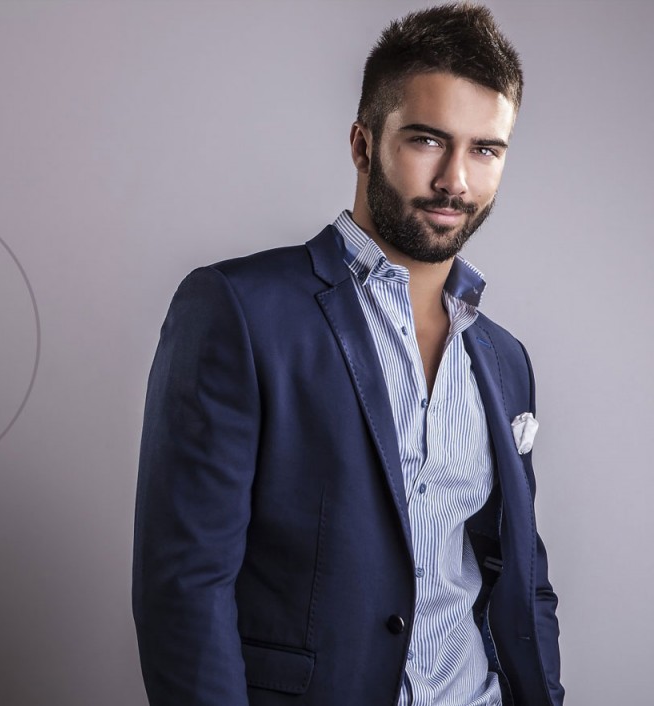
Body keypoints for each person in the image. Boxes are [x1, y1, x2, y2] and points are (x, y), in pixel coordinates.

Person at [131, 3, 564, 705]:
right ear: (364, 145)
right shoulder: (239, 311)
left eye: (486, 150)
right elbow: (185, 588)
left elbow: (524, 576)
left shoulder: (504, 359)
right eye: (428, 140)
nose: (456, 180)